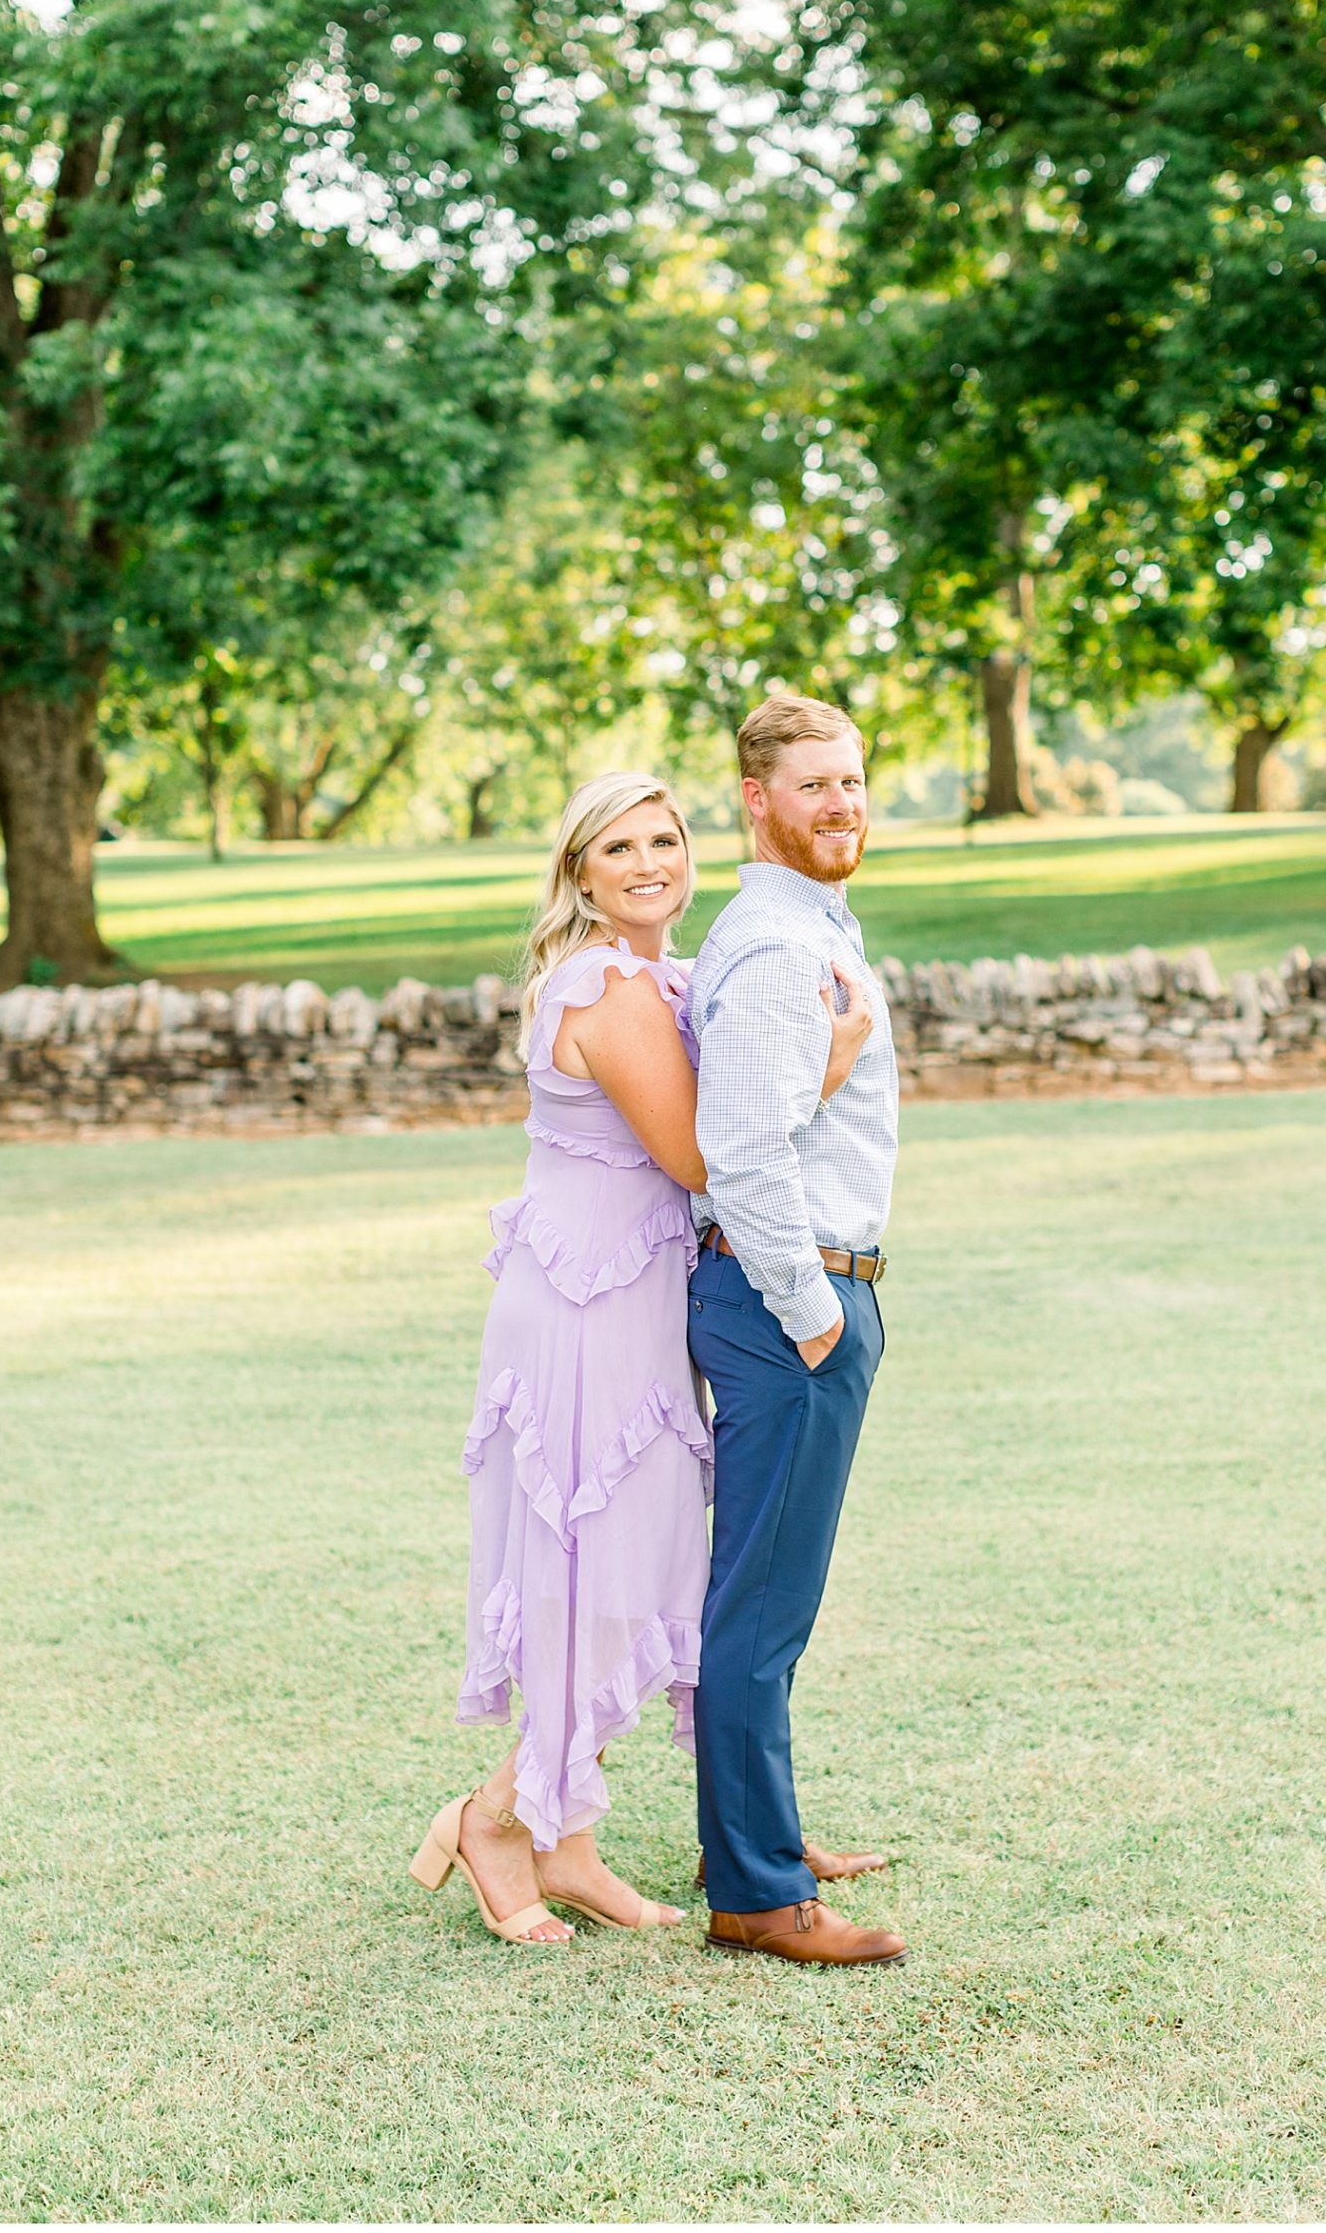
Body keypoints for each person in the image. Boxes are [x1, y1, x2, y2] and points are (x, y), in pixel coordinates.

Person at [411, 771, 870, 1946]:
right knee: (603, 1570)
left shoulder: (664, 974)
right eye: (619, 846)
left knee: (630, 1570)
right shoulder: (606, 985)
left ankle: (564, 1839)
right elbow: (697, 1155)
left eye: (665, 837)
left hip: (632, 1295)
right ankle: (495, 1818)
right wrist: (830, 1061)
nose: (650, 860)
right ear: (581, 874)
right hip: (588, 1306)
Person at [686, 694, 907, 1966]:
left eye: (855, 778)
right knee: (760, 1609)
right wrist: (822, 1319)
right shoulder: (777, 946)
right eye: (813, 784)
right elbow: (746, 1155)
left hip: (808, 1293)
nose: (843, 802)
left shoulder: (803, 923)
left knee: (772, 1598)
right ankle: (759, 1894)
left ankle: (762, 1834)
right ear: (757, 802)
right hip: (791, 1305)